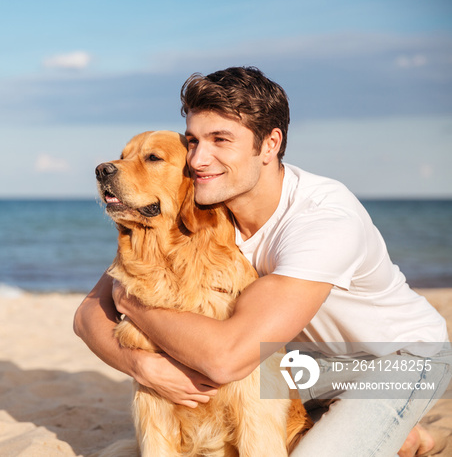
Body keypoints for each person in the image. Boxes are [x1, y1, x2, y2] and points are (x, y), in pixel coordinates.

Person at [73, 66, 451, 456]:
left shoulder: (322, 221)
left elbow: (226, 359)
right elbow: (86, 317)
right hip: (302, 357)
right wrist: (139, 366)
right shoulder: (206, 210)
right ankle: (364, 425)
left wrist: (130, 301)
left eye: (221, 140)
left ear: (270, 144)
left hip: (400, 358)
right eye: (193, 141)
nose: (200, 159)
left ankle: (401, 431)